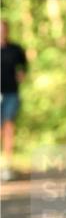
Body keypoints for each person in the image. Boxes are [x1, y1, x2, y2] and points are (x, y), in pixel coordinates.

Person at [1, 20, 28, 182]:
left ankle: (7, 165)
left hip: (11, 93)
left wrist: (22, 74)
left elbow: (23, 66)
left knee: (9, 125)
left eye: (3, 29)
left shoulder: (15, 50)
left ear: (7, 31)